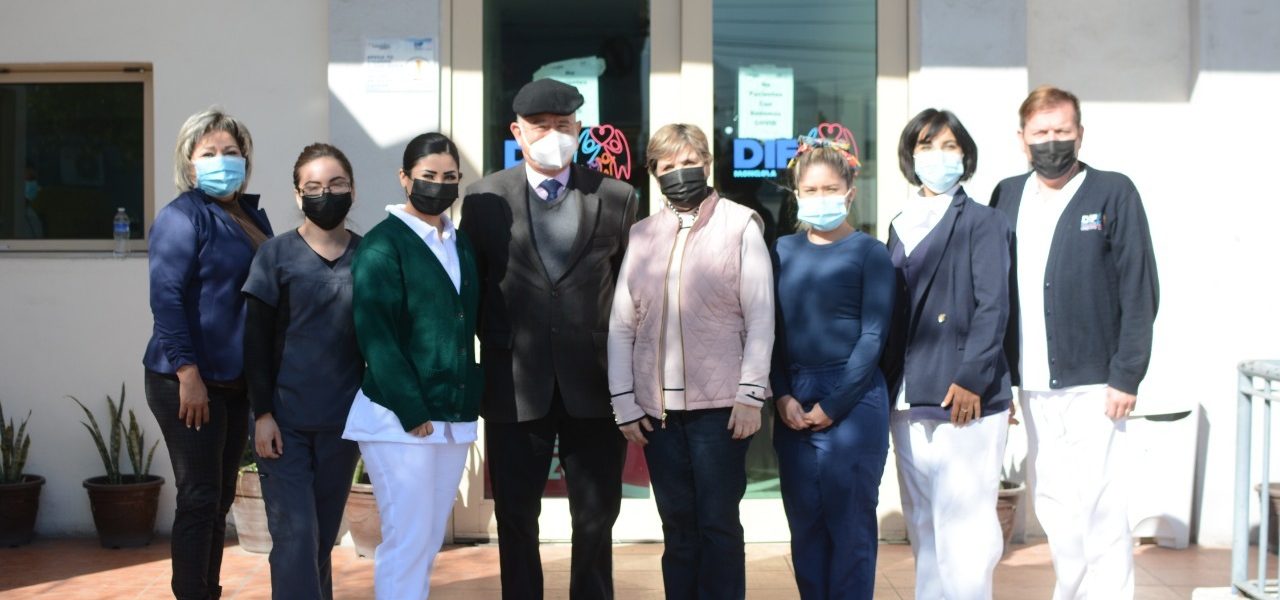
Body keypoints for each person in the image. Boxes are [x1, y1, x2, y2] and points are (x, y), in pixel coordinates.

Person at [460, 78, 637, 600]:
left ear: (579, 129)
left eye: (563, 125)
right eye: (540, 126)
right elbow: (472, 288)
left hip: (594, 383)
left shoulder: (616, 196)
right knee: (516, 516)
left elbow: (630, 292)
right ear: (517, 132)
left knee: (596, 516)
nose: (553, 135)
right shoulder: (484, 198)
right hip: (515, 383)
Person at [990, 86, 1159, 600]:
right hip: (1033, 383)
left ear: (1080, 134)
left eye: (1062, 131)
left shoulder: (1113, 192)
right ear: (1022, 139)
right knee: (1055, 503)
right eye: (1041, 132)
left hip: (1097, 384)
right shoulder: (1007, 195)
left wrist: (1127, 374)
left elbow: (1139, 288)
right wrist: (998, 379)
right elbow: (994, 292)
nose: (1052, 142)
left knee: (1101, 502)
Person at [608, 123, 774, 600]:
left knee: (718, 525)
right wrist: (624, 401)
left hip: (721, 409)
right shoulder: (642, 234)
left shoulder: (740, 224)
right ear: (654, 172)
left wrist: (751, 395)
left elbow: (761, 317)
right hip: (657, 414)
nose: (679, 172)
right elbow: (622, 324)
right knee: (678, 527)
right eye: (668, 165)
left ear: (707, 164)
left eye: (689, 162)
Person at [341, 132, 482, 600]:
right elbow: (375, 334)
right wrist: (410, 408)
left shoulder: (459, 243)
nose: (439, 185)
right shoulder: (383, 245)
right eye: (428, 176)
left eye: (449, 176)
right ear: (404, 178)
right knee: (407, 538)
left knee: (426, 539)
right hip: (399, 419)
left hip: (449, 417)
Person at [881, 108, 1012, 600]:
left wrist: (973, 377)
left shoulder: (984, 221)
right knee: (924, 526)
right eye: (926, 146)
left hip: (964, 395)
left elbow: (994, 304)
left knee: (967, 532)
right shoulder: (900, 223)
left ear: (965, 156)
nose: (938, 156)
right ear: (910, 157)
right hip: (907, 396)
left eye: (949, 146)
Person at [143, 107, 272, 600]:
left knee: (218, 500)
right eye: (209, 152)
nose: (222, 160)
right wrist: (188, 374)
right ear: (189, 162)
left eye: (231, 151)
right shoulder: (181, 217)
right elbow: (166, 300)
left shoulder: (248, 214)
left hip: (233, 382)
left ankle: (206, 591)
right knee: (198, 498)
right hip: (188, 380)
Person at [770, 129, 894, 600]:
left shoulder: (870, 252)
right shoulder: (780, 252)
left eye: (830, 189)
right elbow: (770, 333)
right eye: (810, 190)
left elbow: (873, 336)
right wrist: (781, 395)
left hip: (854, 401)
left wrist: (834, 405)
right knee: (805, 529)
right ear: (796, 194)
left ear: (850, 193)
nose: (820, 197)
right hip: (793, 401)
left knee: (851, 529)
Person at [242, 143, 363, 600]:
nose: (325, 194)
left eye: (336, 184)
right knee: (295, 539)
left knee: (319, 540)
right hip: (284, 425)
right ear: (297, 195)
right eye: (313, 187)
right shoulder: (275, 256)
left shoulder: (370, 256)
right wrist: (262, 414)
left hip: (343, 425)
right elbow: (255, 342)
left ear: (353, 189)